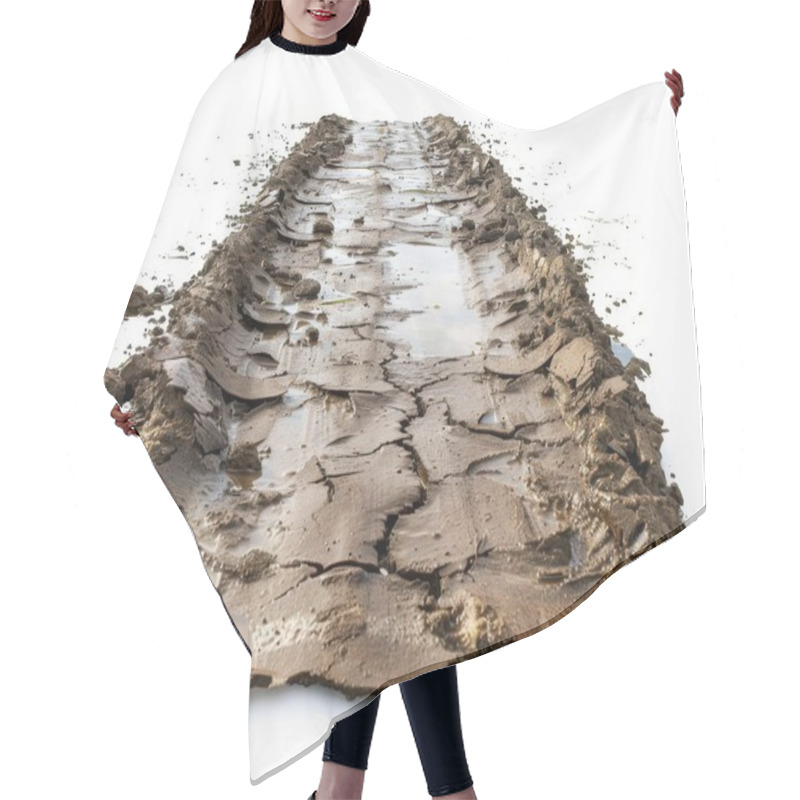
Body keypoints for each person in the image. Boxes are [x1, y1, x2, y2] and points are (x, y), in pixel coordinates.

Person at [108, 3, 685, 798]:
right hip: (298, 372)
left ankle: (349, 788)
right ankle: (433, 790)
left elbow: (502, 141)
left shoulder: (373, 82)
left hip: (396, 351)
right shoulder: (239, 88)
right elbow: (195, 234)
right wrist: (149, 373)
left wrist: (639, 113)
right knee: (356, 575)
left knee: (403, 569)